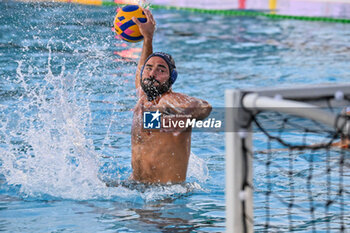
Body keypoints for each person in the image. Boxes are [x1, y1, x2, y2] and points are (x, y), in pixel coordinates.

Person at [129, 8, 212, 184]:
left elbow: (205, 108)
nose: (152, 74)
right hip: (135, 187)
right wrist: (148, 38)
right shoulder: (144, 99)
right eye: (150, 68)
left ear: (170, 79)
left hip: (166, 198)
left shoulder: (171, 100)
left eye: (161, 70)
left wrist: (175, 108)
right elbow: (142, 72)